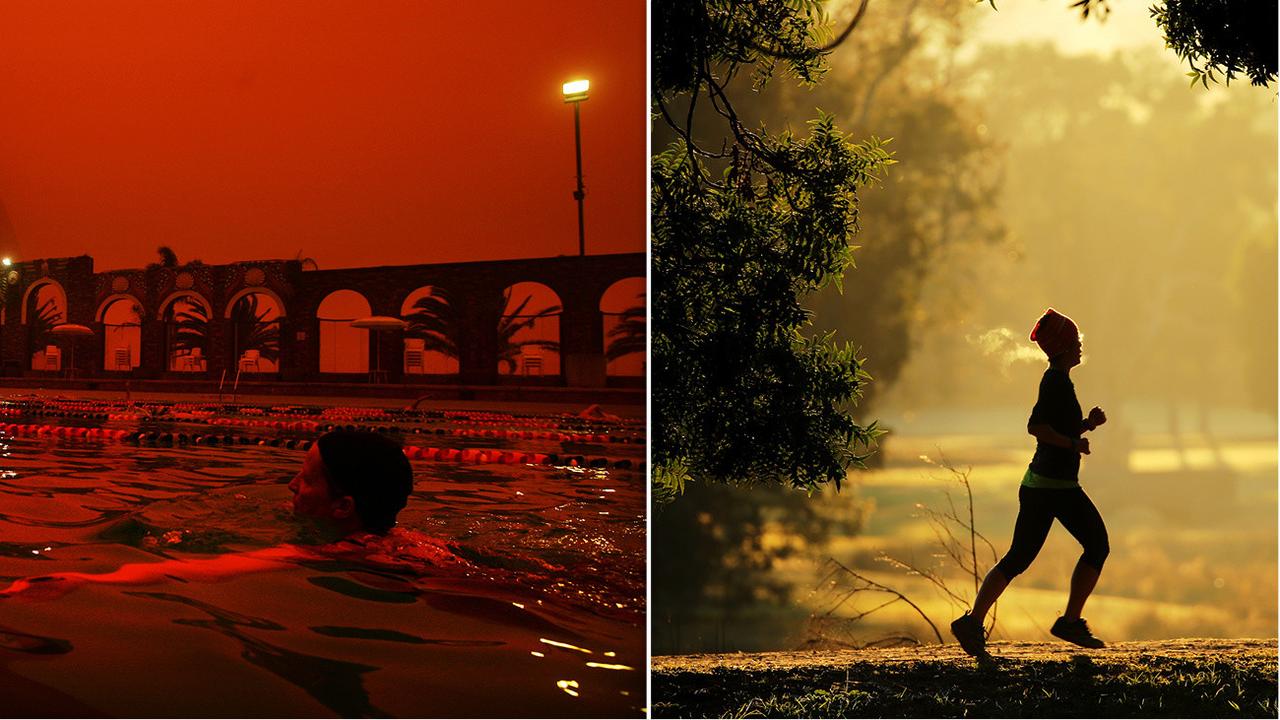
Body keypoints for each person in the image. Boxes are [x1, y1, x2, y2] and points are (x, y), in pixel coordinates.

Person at [1, 429, 420, 600]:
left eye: (306, 479)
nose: (292, 486)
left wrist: (85, 578)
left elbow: (208, 571)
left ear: (343, 507)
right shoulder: (405, 541)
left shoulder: (340, 553)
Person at [951, 308, 1110, 657]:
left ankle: (973, 622)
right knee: (1095, 546)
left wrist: (1085, 425)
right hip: (1052, 488)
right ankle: (1068, 622)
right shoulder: (1054, 381)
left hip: (1048, 486)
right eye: (1076, 341)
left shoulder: (1061, 381)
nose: (1081, 346)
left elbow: (1057, 427)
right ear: (1064, 347)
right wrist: (1073, 444)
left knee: (1020, 557)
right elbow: (1036, 428)